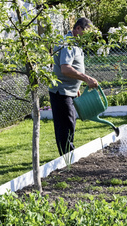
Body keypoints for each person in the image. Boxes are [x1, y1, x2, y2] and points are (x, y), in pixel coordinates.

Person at [49, 17, 98, 155]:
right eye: (86, 32)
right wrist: (87, 78)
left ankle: (68, 155)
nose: (88, 36)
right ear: (78, 28)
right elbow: (65, 68)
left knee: (69, 124)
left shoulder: (73, 41)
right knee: (66, 126)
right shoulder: (68, 44)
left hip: (68, 90)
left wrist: (76, 88)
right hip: (61, 91)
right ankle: (67, 158)